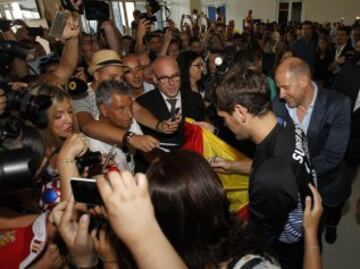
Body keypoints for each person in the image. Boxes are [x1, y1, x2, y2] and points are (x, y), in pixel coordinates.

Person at [213, 68, 317, 269]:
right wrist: (231, 165)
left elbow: (261, 240)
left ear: (241, 112)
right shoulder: (285, 125)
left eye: (224, 118)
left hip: (284, 253)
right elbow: (271, 163)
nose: (225, 125)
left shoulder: (270, 178)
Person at [274, 57, 351, 244]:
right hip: (291, 190)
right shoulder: (277, 105)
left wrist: (291, 172)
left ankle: (331, 225)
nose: (281, 94)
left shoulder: (338, 104)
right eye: (278, 88)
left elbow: (332, 157)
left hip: (325, 186)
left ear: (303, 81)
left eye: (285, 87)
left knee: (316, 232)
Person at [73, 49, 178, 153]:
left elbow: (137, 110)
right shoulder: (82, 95)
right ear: (97, 76)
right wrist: (130, 138)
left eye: (121, 77)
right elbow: (87, 125)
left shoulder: (119, 91)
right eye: (113, 77)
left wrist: (159, 125)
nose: (118, 81)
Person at [136, 56, 204, 150]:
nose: (172, 83)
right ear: (155, 79)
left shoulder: (195, 99)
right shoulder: (142, 104)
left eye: (175, 76)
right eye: (164, 78)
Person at [88, 80, 147, 173]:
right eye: (121, 109)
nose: (130, 115)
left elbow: (146, 151)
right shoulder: (93, 145)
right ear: (104, 109)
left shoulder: (127, 121)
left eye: (130, 106)